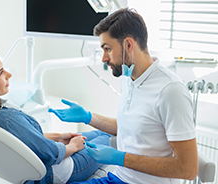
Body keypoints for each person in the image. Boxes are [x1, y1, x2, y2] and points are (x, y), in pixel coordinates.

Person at [48, 8, 198, 184]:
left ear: (128, 45)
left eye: (108, 49)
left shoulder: (170, 91)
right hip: (118, 177)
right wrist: (88, 117)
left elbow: (187, 169)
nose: (104, 58)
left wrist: (121, 158)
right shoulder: (130, 78)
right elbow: (132, 128)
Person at [0, 49, 112, 184]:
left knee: (98, 133)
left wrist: (59, 136)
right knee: (107, 138)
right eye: (1, 72)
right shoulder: (8, 118)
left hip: (40, 168)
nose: (9, 74)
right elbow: (50, 154)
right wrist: (72, 147)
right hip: (58, 171)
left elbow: (22, 141)